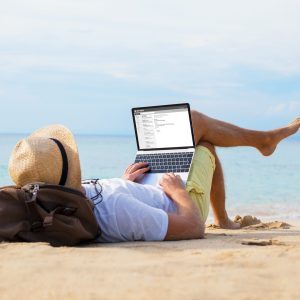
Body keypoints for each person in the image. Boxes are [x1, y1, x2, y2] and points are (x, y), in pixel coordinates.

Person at [8, 111, 300, 243]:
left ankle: (263, 143)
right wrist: (177, 192)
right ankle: (265, 141)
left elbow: (100, 197)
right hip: (178, 202)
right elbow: (193, 228)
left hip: (140, 187)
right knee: (201, 136)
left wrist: (122, 181)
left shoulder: (56, 202)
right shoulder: (119, 211)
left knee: (196, 131)